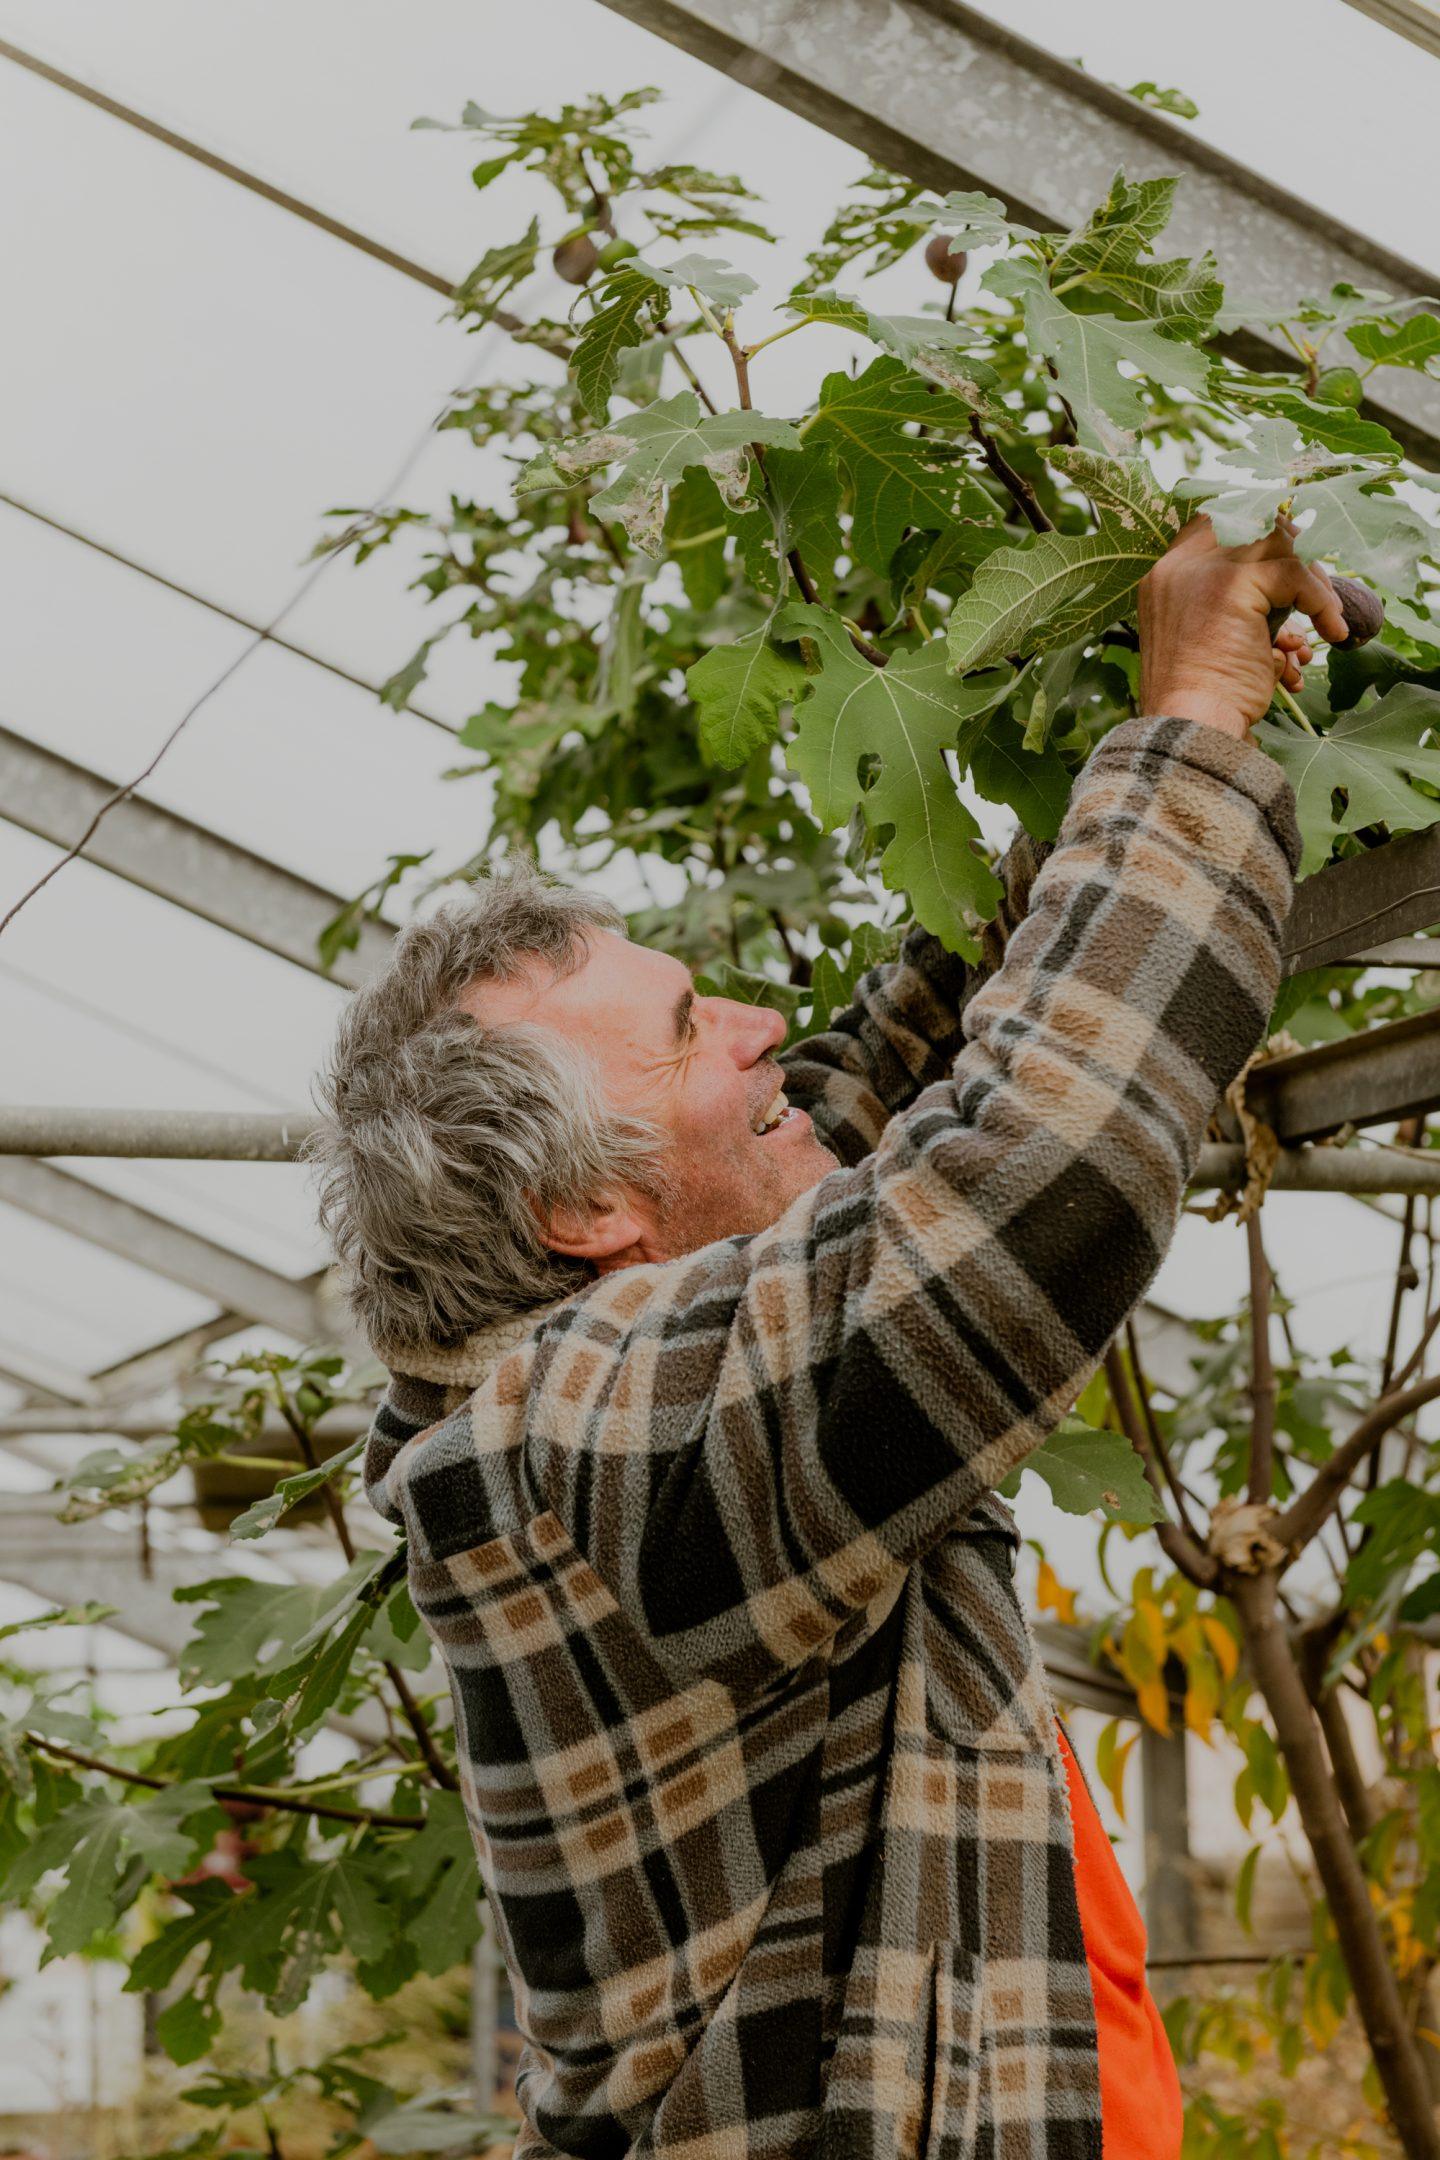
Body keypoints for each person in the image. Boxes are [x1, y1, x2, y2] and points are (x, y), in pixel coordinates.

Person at [311, 517, 1345, 2160]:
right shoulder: (582, 1452)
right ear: (586, 1214)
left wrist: (1063, 808)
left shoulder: (640, 1365)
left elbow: (873, 1120)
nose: (759, 1024)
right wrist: (1194, 720)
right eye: (684, 1030)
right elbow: (1025, 1182)